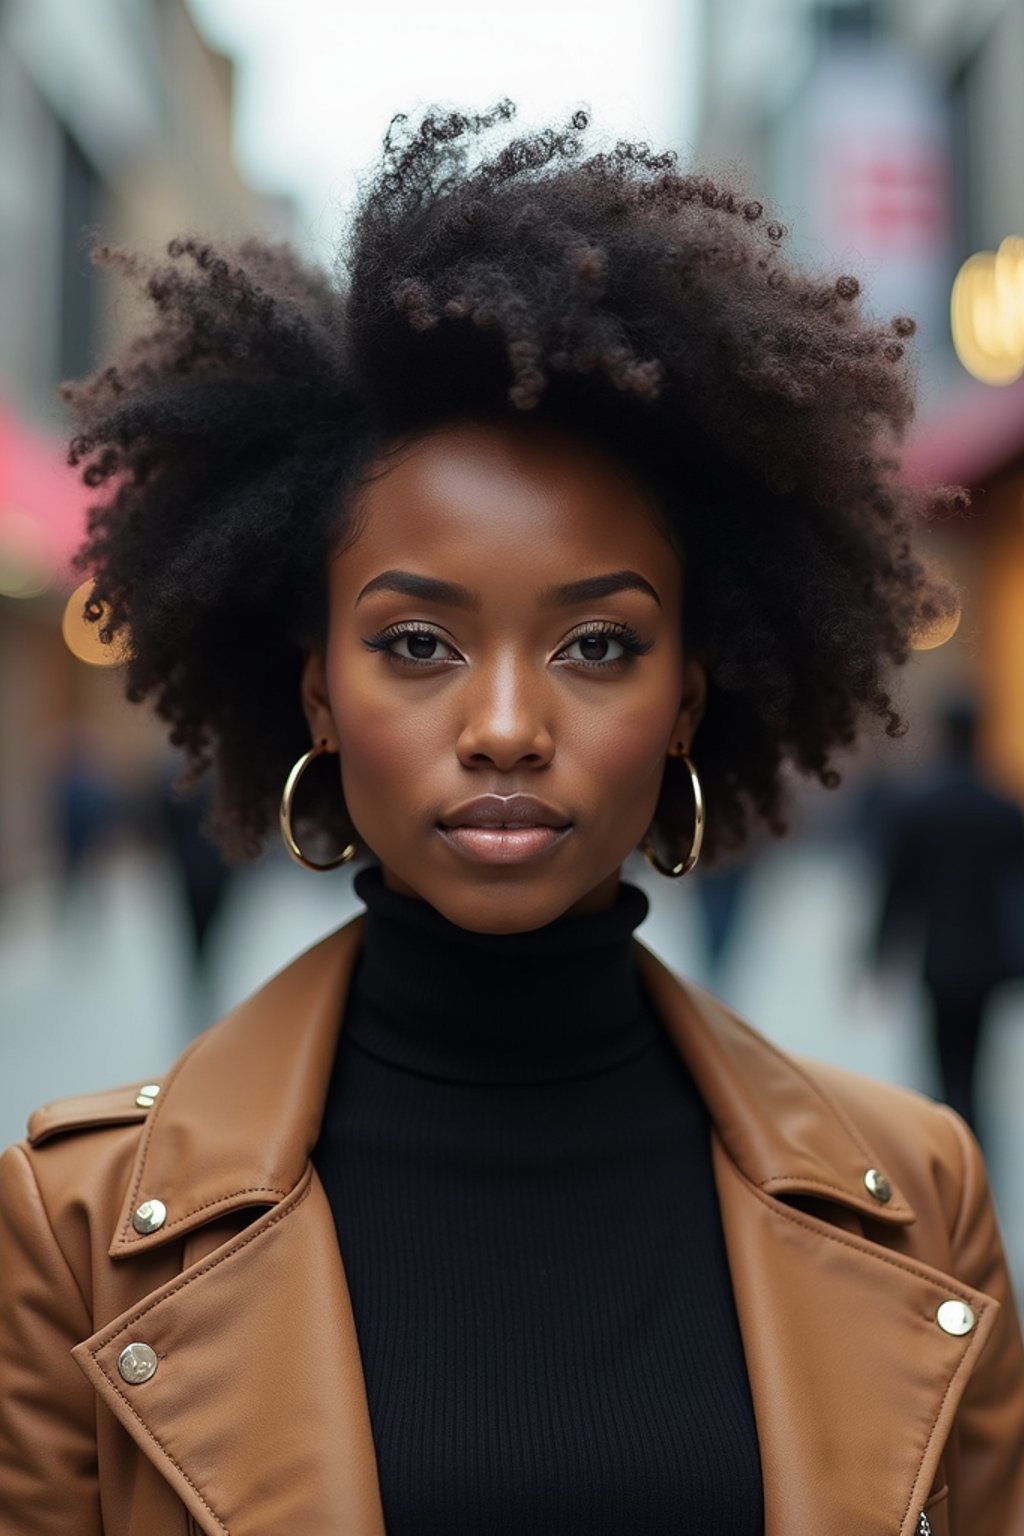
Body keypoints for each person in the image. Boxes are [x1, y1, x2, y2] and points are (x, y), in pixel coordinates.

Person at [1, 102, 1021, 1536]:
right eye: (417, 643)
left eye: (597, 645)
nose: (500, 725)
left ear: (685, 699)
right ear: (313, 695)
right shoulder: (76, 1233)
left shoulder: (919, 1196)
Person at [872, 697, 1024, 1145]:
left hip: (937, 956)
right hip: (986, 957)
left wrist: (879, 954)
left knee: (941, 1062)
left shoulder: (919, 806)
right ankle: (971, 1144)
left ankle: (949, 1146)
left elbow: (898, 889)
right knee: (975, 1062)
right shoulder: (1001, 806)